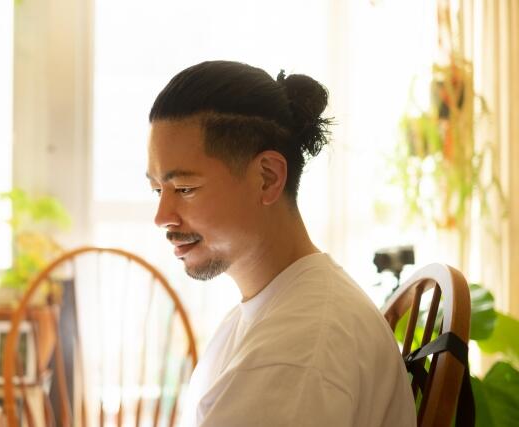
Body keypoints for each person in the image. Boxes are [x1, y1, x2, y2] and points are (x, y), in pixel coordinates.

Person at [146, 61, 415, 427]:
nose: (162, 216)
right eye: (157, 190)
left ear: (268, 178)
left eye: (185, 189)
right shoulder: (268, 314)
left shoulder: (297, 352)